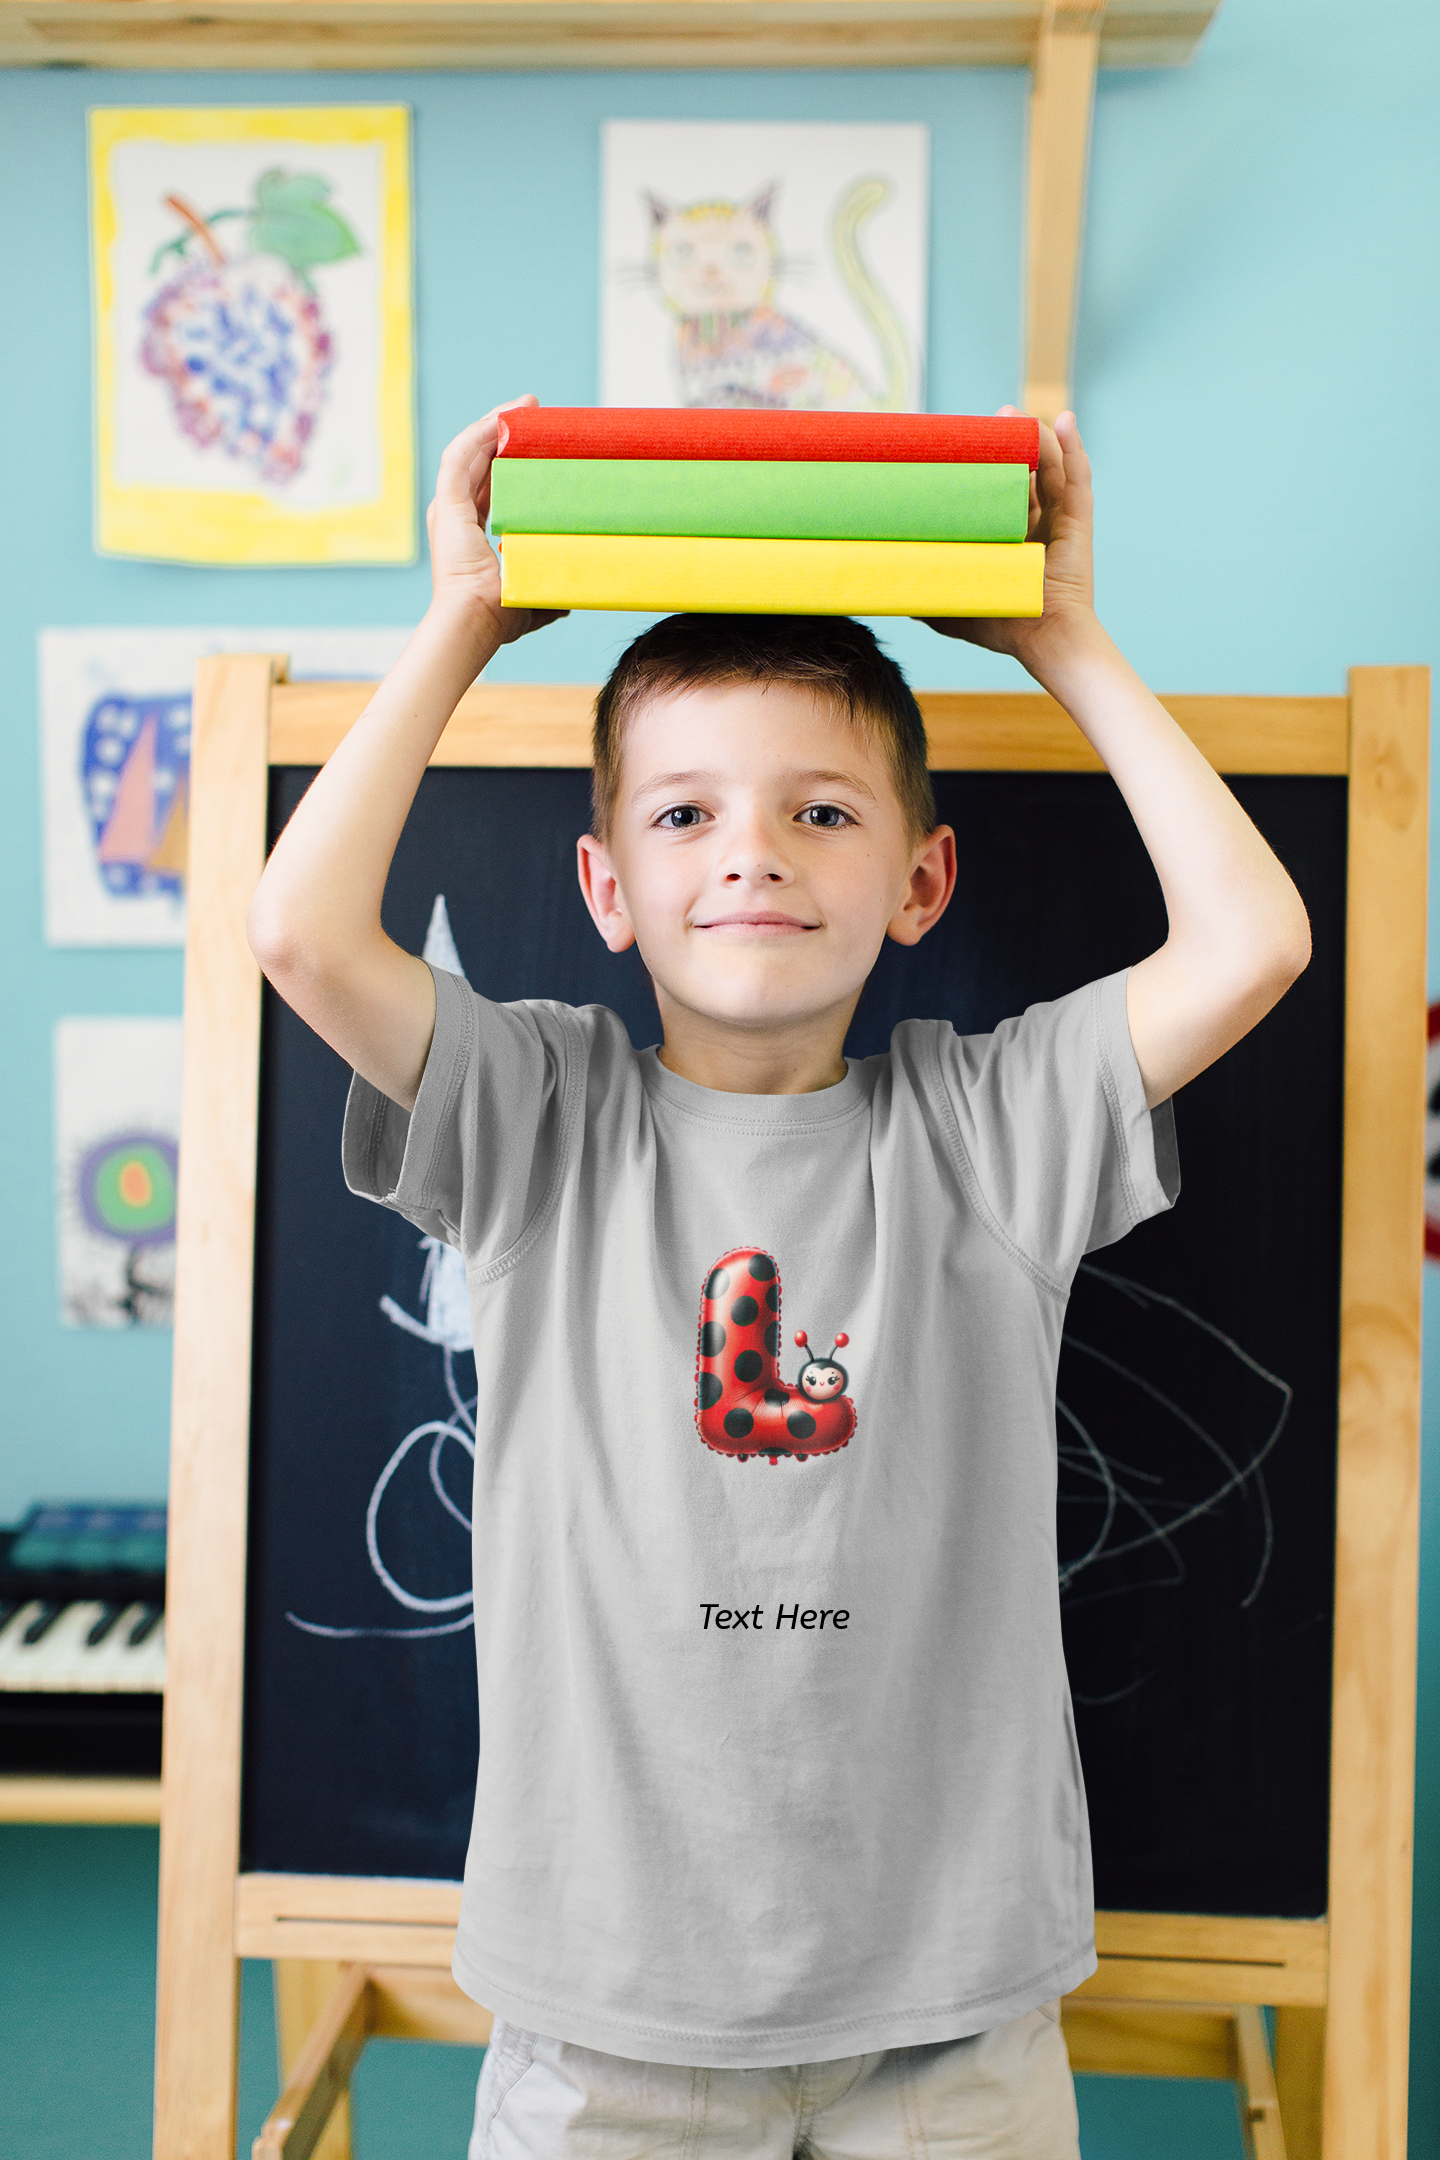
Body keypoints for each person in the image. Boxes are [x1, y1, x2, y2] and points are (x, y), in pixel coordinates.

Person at [247, 396, 1310, 2159]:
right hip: (606, 2017)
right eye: (682, 816)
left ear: (920, 879)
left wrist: (1060, 635)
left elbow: (1257, 939)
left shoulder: (988, 1128)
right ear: (603, 887)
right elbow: (297, 932)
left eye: (823, 811)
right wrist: (467, 617)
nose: (750, 850)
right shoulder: (540, 1115)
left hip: (950, 2017)